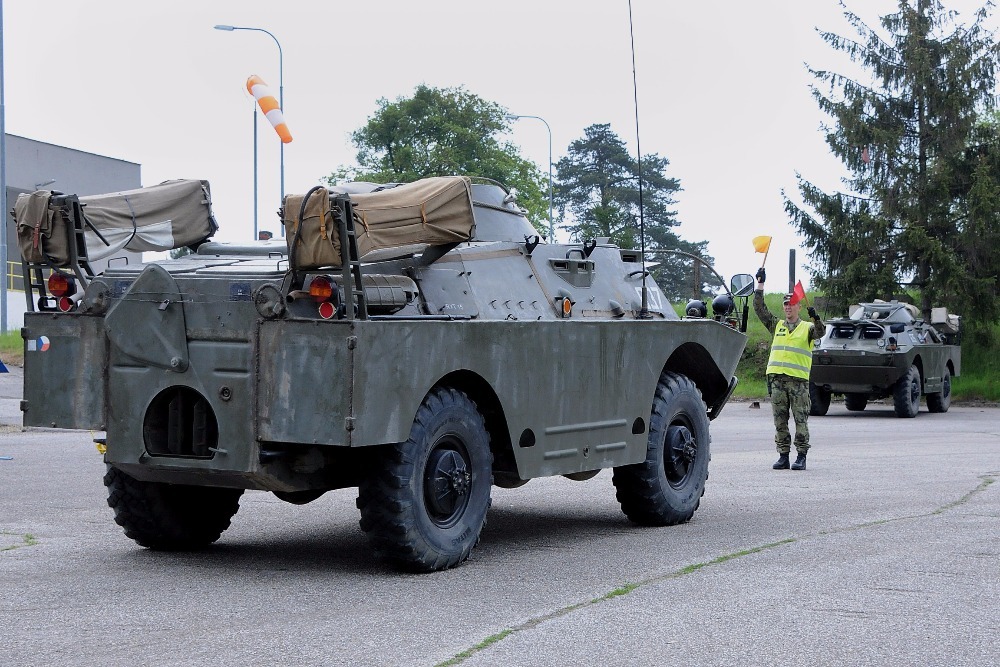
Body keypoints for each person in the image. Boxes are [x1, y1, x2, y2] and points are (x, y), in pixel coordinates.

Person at [753, 268, 824, 470]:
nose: (788, 307)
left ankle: (801, 456)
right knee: (780, 421)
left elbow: (820, 332)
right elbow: (760, 309)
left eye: (791, 304)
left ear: (799, 307)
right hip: (777, 381)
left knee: (800, 420)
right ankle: (783, 455)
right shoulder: (777, 326)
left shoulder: (807, 328)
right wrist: (760, 284)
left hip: (798, 383)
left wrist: (816, 318)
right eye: (785, 304)